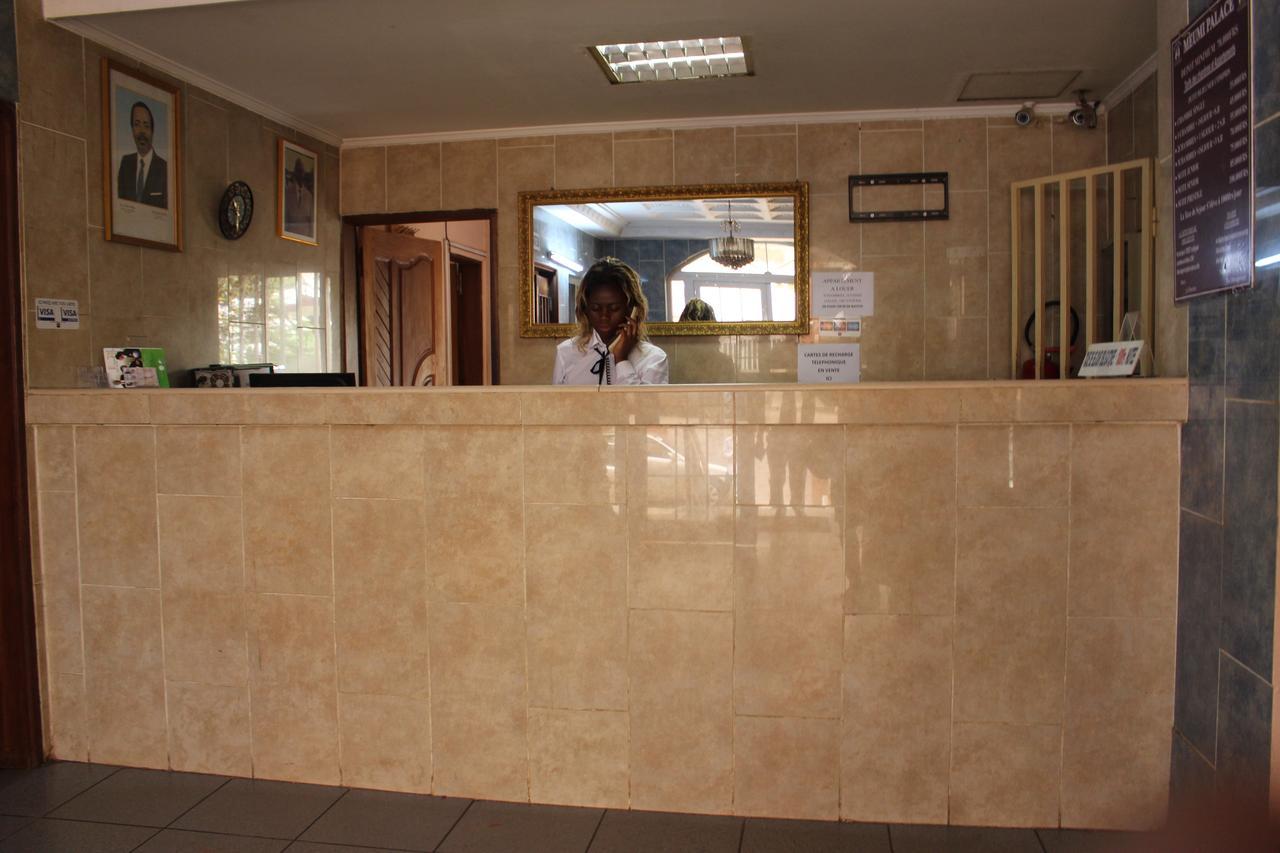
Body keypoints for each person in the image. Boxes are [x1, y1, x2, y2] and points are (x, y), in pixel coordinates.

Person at [553, 258, 668, 385]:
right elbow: (554, 404)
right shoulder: (566, 352)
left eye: (614, 308)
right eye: (595, 308)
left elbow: (643, 404)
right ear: (585, 309)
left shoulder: (653, 358)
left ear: (632, 309)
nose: (604, 316)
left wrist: (621, 360)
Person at [116, 101, 167, 208]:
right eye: (137, 124)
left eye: (146, 125)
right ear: (132, 129)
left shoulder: (164, 168)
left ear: (152, 131)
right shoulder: (126, 163)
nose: (141, 131)